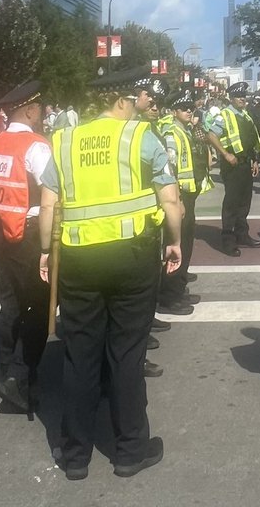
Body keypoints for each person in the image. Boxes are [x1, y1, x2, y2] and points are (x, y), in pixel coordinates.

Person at [39, 89, 182, 480]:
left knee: (80, 354)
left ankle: (75, 455)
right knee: (128, 352)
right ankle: (130, 451)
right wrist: (174, 241)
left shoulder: (65, 141)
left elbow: (49, 204)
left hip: (79, 258)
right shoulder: (140, 136)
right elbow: (170, 199)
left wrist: (45, 251)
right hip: (132, 255)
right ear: (120, 101)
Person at [0, 80, 54, 412]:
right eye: (40, 109)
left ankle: (6, 369)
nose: (42, 115)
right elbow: (51, 192)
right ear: (31, 110)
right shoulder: (36, 146)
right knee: (37, 307)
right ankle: (20, 376)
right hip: (28, 233)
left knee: (9, 304)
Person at [157, 92, 208, 310]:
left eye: (190, 107)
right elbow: (170, 169)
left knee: (185, 243)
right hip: (180, 196)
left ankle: (178, 288)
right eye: (184, 108)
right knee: (176, 244)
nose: (189, 111)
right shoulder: (172, 133)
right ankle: (170, 296)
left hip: (188, 194)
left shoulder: (185, 130)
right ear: (174, 111)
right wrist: (178, 199)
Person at [207, 82, 260, 256]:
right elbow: (211, 135)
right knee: (232, 203)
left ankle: (242, 235)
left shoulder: (245, 115)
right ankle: (228, 241)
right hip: (232, 165)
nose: (242, 99)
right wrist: (225, 154)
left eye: (244, 96)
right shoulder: (224, 115)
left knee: (245, 202)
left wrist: (254, 160)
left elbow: (250, 140)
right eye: (238, 96)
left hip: (246, 164)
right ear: (231, 98)